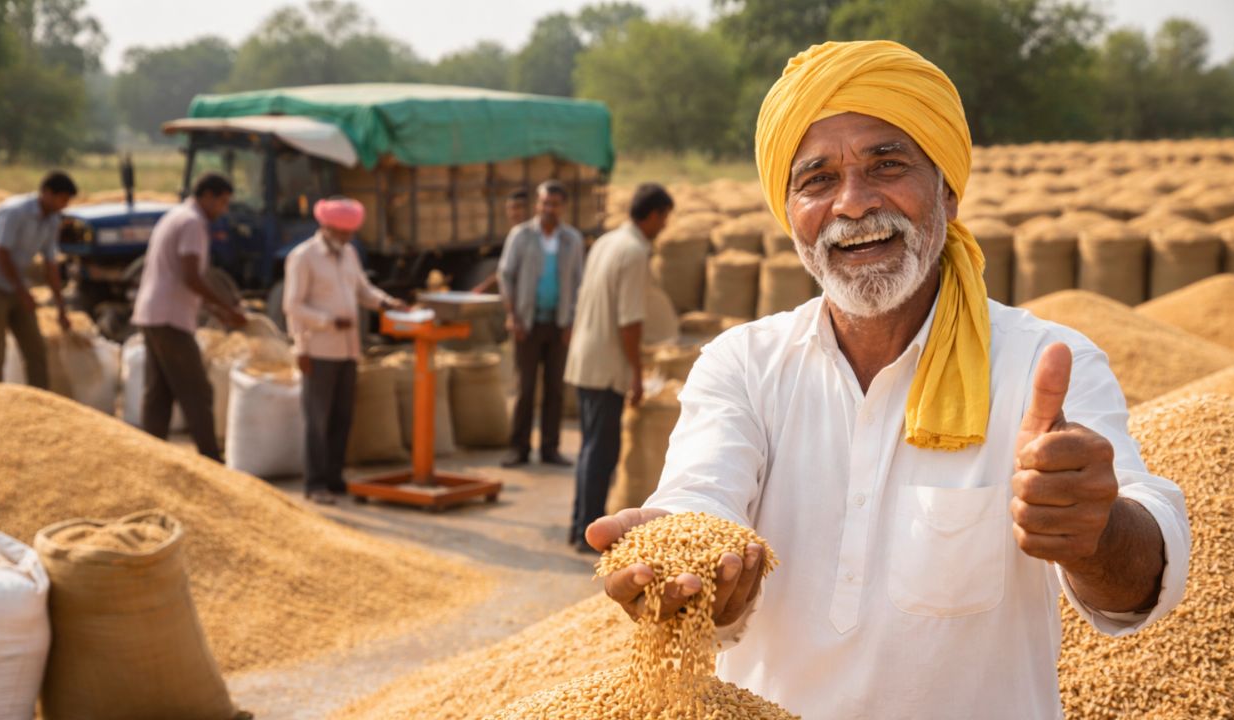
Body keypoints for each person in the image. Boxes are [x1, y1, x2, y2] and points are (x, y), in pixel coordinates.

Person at [587, 41, 1190, 719]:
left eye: (887, 164)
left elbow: (1140, 579)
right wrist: (686, 554)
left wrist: (1098, 531)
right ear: (789, 215)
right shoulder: (743, 364)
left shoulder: (1044, 362)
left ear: (948, 189)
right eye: (817, 179)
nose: (853, 203)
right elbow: (703, 494)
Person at [564, 183, 673, 552]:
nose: (665, 227)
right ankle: (587, 532)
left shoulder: (607, 241)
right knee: (602, 452)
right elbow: (630, 322)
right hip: (606, 364)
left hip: (585, 356)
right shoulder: (633, 252)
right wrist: (636, 373)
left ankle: (578, 525)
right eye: (664, 219)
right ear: (654, 214)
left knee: (589, 447)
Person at [283, 197, 406, 505]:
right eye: (342, 233)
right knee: (317, 419)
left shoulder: (349, 254)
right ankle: (315, 483)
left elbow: (362, 290)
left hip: (348, 349)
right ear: (326, 227)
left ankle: (335, 478)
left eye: (350, 233)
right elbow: (293, 305)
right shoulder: (303, 257)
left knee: (342, 417)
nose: (347, 238)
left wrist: (385, 303)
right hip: (318, 349)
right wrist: (325, 324)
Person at [132, 172, 246, 461]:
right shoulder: (194, 223)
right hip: (170, 317)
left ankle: (150, 455)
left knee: (159, 393)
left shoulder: (176, 215)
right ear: (207, 196)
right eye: (222, 202)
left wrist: (214, 307)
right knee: (197, 391)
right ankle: (210, 459)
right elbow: (191, 276)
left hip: (152, 312)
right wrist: (226, 308)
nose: (223, 210)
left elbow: (184, 276)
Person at [497, 180, 585, 467]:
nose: (548, 209)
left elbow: (579, 283)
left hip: (559, 325)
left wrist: (572, 322)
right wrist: (512, 315)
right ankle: (518, 448)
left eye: (554, 204)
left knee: (555, 390)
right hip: (527, 323)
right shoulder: (521, 236)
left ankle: (550, 448)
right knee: (525, 388)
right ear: (537, 204)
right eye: (544, 203)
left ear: (562, 207)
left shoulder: (572, 240)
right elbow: (506, 276)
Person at [0, 171, 77, 387]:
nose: (64, 205)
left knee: (36, 349)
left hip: (16, 285)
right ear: (47, 193)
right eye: (62, 199)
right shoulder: (14, 211)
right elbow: (1, 253)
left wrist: (61, 309)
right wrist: (22, 292)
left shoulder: (52, 220)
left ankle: (40, 401)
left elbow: (51, 265)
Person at [472, 187, 530, 295]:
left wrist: (483, 288)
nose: (513, 213)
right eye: (510, 208)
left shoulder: (531, 236)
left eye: (517, 208)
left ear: (529, 209)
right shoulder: (515, 234)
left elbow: (508, 272)